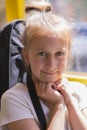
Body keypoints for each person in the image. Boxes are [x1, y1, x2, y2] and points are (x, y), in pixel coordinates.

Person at [0, 2, 87, 130]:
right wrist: (58, 106)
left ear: (68, 55)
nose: (51, 64)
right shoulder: (15, 98)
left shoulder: (78, 91)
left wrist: (70, 102)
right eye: (42, 54)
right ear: (26, 56)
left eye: (59, 53)